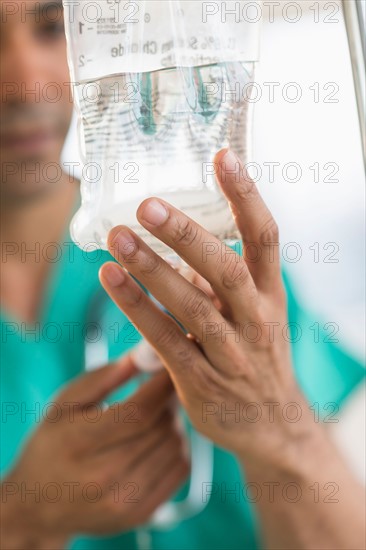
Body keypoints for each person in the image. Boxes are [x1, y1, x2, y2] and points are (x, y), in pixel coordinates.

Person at [1, 2, 365, 549]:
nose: (27, 87)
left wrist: (281, 430)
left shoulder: (212, 269)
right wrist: (22, 518)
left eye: (53, 28)